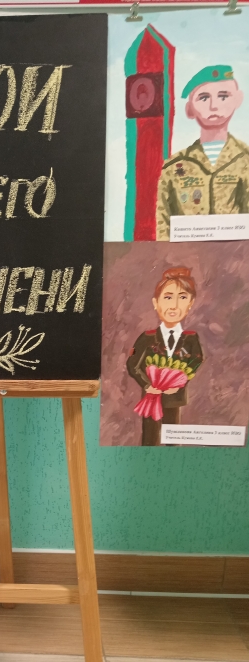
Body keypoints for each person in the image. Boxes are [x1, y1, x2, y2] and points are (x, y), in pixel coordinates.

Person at [156, 65, 249, 241]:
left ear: (238, 100)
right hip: (185, 255)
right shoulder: (174, 166)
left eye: (223, 96)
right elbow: (162, 225)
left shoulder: (245, 160)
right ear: (189, 109)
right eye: (204, 98)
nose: (214, 106)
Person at [127, 267, 203, 446]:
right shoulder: (147, 338)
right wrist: (147, 385)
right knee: (150, 440)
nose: (174, 305)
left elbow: (197, 360)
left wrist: (180, 382)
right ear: (156, 302)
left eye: (182, 298)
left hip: (174, 398)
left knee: (173, 439)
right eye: (168, 297)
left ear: (190, 303)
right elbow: (132, 364)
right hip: (150, 398)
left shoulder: (191, 339)